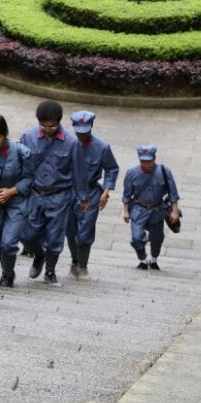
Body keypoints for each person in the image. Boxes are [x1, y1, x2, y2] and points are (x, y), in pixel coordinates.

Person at [20, 100, 89, 286]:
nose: (48, 129)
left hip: (59, 195)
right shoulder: (28, 136)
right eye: (44, 125)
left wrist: (83, 197)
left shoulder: (72, 142)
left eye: (52, 125)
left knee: (55, 236)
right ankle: (39, 256)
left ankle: (50, 272)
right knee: (27, 234)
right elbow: (20, 165)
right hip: (34, 194)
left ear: (59, 122)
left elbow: (78, 171)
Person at [0, 115, 35, 288]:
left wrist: (11, 191)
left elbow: (30, 178)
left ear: (5, 135)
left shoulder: (21, 152)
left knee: (9, 242)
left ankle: (7, 274)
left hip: (17, 202)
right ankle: (7, 273)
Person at [65, 111, 119, 280]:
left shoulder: (102, 147)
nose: (82, 135)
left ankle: (83, 265)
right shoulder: (67, 144)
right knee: (70, 231)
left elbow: (112, 168)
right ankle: (75, 260)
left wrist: (106, 190)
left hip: (91, 192)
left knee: (85, 233)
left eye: (85, 131)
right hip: (69, 191)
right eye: (79, 132)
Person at [122, 144, 181, 271]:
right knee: (137, 237)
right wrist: (126, 211)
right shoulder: (132, 172)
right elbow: (127, 194)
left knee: (157, 238)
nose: (146, 164)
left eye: (149, 161)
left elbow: (173, 193)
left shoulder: (164, 171)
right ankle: (142, 259)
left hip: (157, 210)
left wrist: (175, 211)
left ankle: (153, 259)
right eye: (143, 161)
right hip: (138, 209)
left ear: (154, 159)